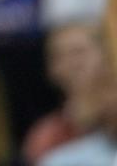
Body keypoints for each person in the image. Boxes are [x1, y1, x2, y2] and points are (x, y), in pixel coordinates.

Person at [23, 22, 109, 165]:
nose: (72, 63)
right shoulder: (44, 136)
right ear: (51, 70)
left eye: (79, 52)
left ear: (106, 55)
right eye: (59, 56)